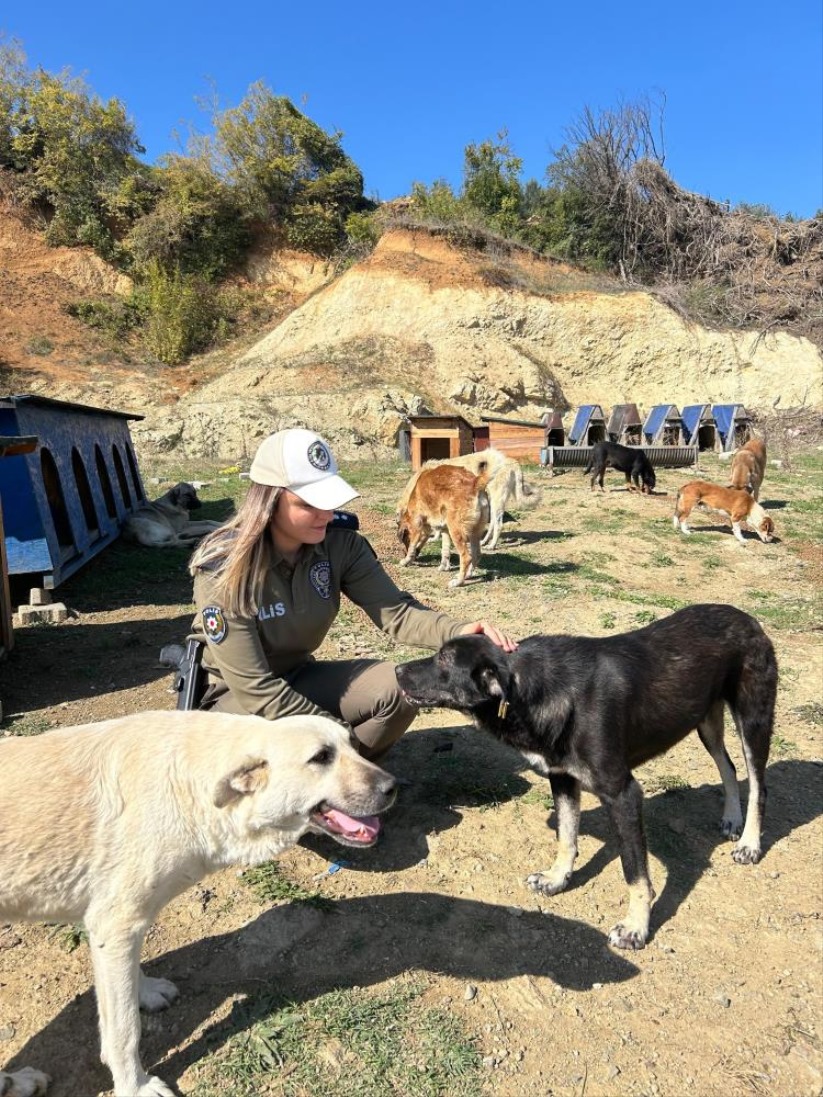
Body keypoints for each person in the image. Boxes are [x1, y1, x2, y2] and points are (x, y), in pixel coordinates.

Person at [188, 427, 516, 761]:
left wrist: (460, 631)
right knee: (275, 765)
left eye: (330, 500)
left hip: (298, 675)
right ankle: (334, 776)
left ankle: (338, 784)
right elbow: (255, 688)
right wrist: (336, 738)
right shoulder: (224, 566)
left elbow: (397, 614)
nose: (327, 514)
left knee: (399, 688)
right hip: (236, 699)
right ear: (269, 500)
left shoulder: (339, 544)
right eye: (310, 503)